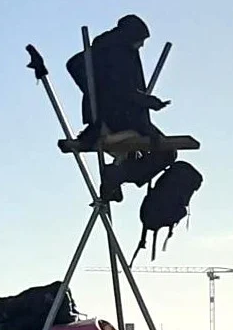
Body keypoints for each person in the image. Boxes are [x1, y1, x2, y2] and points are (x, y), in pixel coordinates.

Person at [66, 14, 178, 203]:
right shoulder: (117, 52)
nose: (141, 45)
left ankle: (117, 177)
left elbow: (76, 65)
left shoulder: (107, 48)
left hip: (112, 115)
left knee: (142, 153)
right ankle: (118, 175)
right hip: (120, 117)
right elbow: (121, 90)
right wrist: (149, 102)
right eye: (141, 40)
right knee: (167, 152)